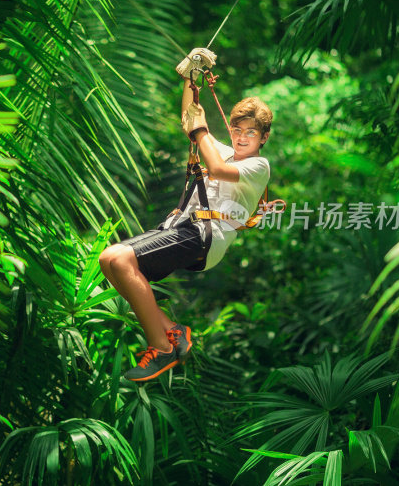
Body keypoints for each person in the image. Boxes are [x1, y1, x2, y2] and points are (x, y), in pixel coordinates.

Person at [98, 47, 272, 382]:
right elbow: (189, 117)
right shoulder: (220, 148)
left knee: (121, 261)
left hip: (208, 237)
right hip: (187, 228)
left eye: (250, 132)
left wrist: (201, 131)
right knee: (110, 261)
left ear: (263, 137)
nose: (240, 136)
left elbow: (217, 168)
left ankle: (161, 348)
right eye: (237, 129)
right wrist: (192, 77)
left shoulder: (258, 166)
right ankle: (172, 332)